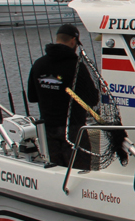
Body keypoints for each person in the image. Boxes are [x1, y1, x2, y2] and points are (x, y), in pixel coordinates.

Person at [27, 24, 99, 168]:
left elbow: (32, 97)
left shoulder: (39, 64)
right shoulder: (76, 66)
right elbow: (92, 99)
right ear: (73, 41)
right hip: (73, 131)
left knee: (55, 170)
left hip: (48, 132)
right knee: (79, 172)